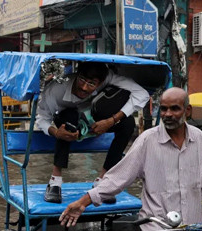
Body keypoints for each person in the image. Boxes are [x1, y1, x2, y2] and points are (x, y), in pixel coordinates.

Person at [59, 87, 202, 231]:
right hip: (157, 223)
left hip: (190, 225)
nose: (167, 114)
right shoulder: (148, 140)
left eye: (174, 109)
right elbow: (118, 178)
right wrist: (82, 202)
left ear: (188, 111)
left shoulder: (199, 139)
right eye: (163, 109)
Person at [37, 62, 150, 204]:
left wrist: (111, 120)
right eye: (82, 80)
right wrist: (55, 132)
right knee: (69, 118)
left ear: (101, 82)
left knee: (128, 124)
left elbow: (142, 94)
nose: (84, 87)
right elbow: (42, 118)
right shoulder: (55, 89)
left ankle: (103, 181)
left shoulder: (108, 78)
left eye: (91, 84)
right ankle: (55, 181)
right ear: (77, 75)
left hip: (94, 121)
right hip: (68, 124)